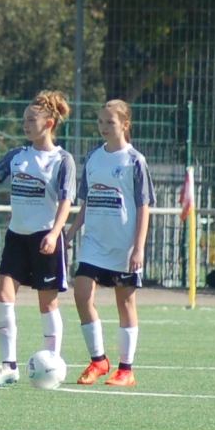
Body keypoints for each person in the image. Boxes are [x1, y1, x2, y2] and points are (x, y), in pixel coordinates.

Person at [0, 90, 76, 386]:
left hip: (45, 238)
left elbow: (66, 200)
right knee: (3, 294)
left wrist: (55, 233)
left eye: (32, 120)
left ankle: (52, 365)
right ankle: (8, 365)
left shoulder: (63, 160)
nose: (25, 125)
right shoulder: (17, 156)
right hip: (16, 238)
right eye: (24, 120)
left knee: (47, 304)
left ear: (49, 123)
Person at [70, 100, 151, 387]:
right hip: (94, 242)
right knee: (81, 293)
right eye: (101, 121)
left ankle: (126, 369)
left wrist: (138, 247)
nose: (103, 127)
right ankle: (98, 360)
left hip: (123, 244)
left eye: (110, 122)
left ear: (125, 125)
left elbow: (143, 206)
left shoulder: (134, 161)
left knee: (125, 301)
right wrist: (71, 231)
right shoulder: (94, 158)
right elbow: (88, 200)